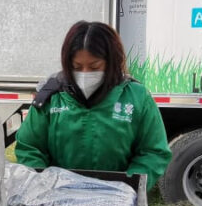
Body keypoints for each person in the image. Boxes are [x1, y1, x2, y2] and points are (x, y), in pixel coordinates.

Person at [15, 20, 171, 187]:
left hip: (117, 200)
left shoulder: (137, 97)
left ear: (111, 62)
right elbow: (29, 146)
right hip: (58, 199)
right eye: (76, 67)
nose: (85, 74)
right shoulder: (51, 97)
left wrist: (128, 186)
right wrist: (44, 184)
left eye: (95, 67)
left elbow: (153, 152)